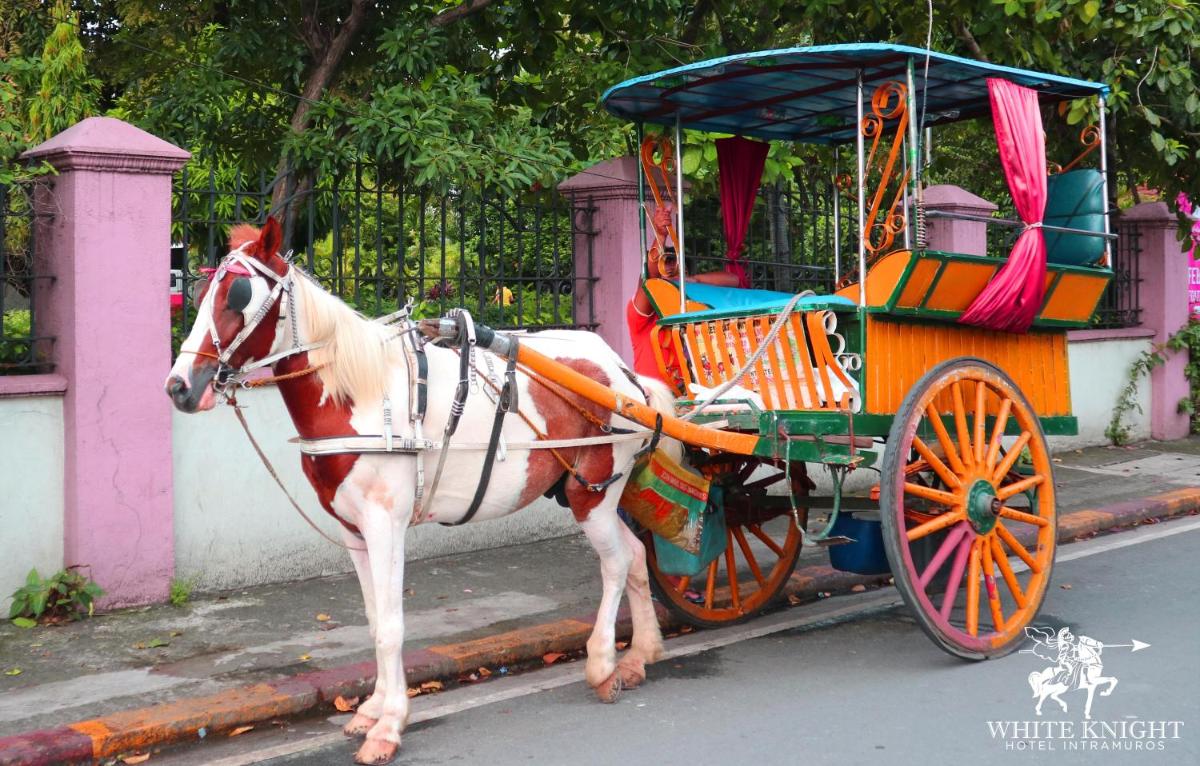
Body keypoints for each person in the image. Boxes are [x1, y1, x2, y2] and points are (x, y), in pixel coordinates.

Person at [626, 203, 738, 382]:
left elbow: (734, 280)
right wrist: (660, 236)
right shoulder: (642, 311)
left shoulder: (690, 302)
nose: (672, 269)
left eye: (676, 264)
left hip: (691, 389)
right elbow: (650, 281)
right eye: (666, 263)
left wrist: (691, 281)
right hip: (653, 392)